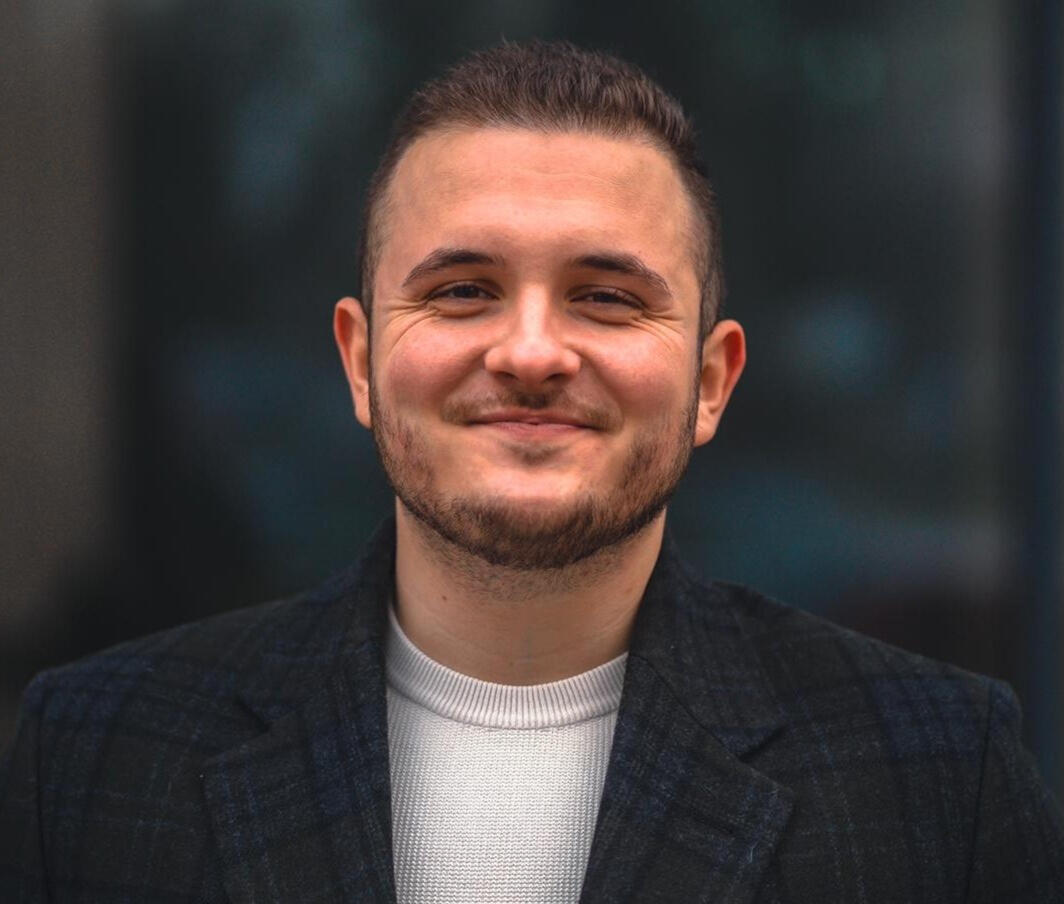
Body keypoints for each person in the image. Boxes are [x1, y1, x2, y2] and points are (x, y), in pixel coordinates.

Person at [1, 39, 1061, 904]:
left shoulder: (935, 775)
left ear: (710, 381)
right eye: (462, 290)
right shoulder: (97, 756)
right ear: (359, 362)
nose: (530, 352)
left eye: (607, 297)